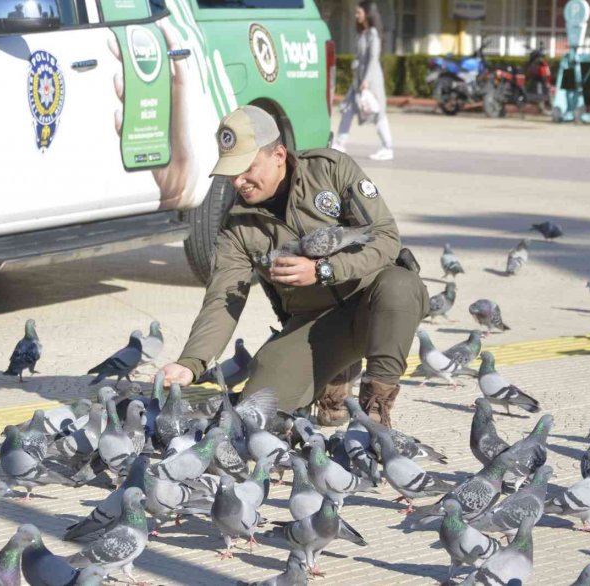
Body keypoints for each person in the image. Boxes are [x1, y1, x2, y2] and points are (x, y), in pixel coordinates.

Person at [158, 105, 428, 428]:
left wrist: (324, 270)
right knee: (258, 408)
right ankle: (334, 372)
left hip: (375, 307)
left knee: (400, 286)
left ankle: (375, 410)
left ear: (279, 155)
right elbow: (222, 300)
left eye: (247, 168)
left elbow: (386, 238)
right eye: (232, 172)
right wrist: (191, 363)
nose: (239, 181)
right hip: (314, 327)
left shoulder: (330, 170)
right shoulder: (238, 226)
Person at [331, 0, 393, 161]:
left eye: (359, 12)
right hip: (358, 81)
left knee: (378, 113)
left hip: (371, 81)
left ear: (367, 14)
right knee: (348, 109)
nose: (356, 15)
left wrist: (366, 80)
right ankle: (340, 143)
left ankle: (388, 147)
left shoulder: (373, 33)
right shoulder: (362, 33)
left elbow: (373, 58)